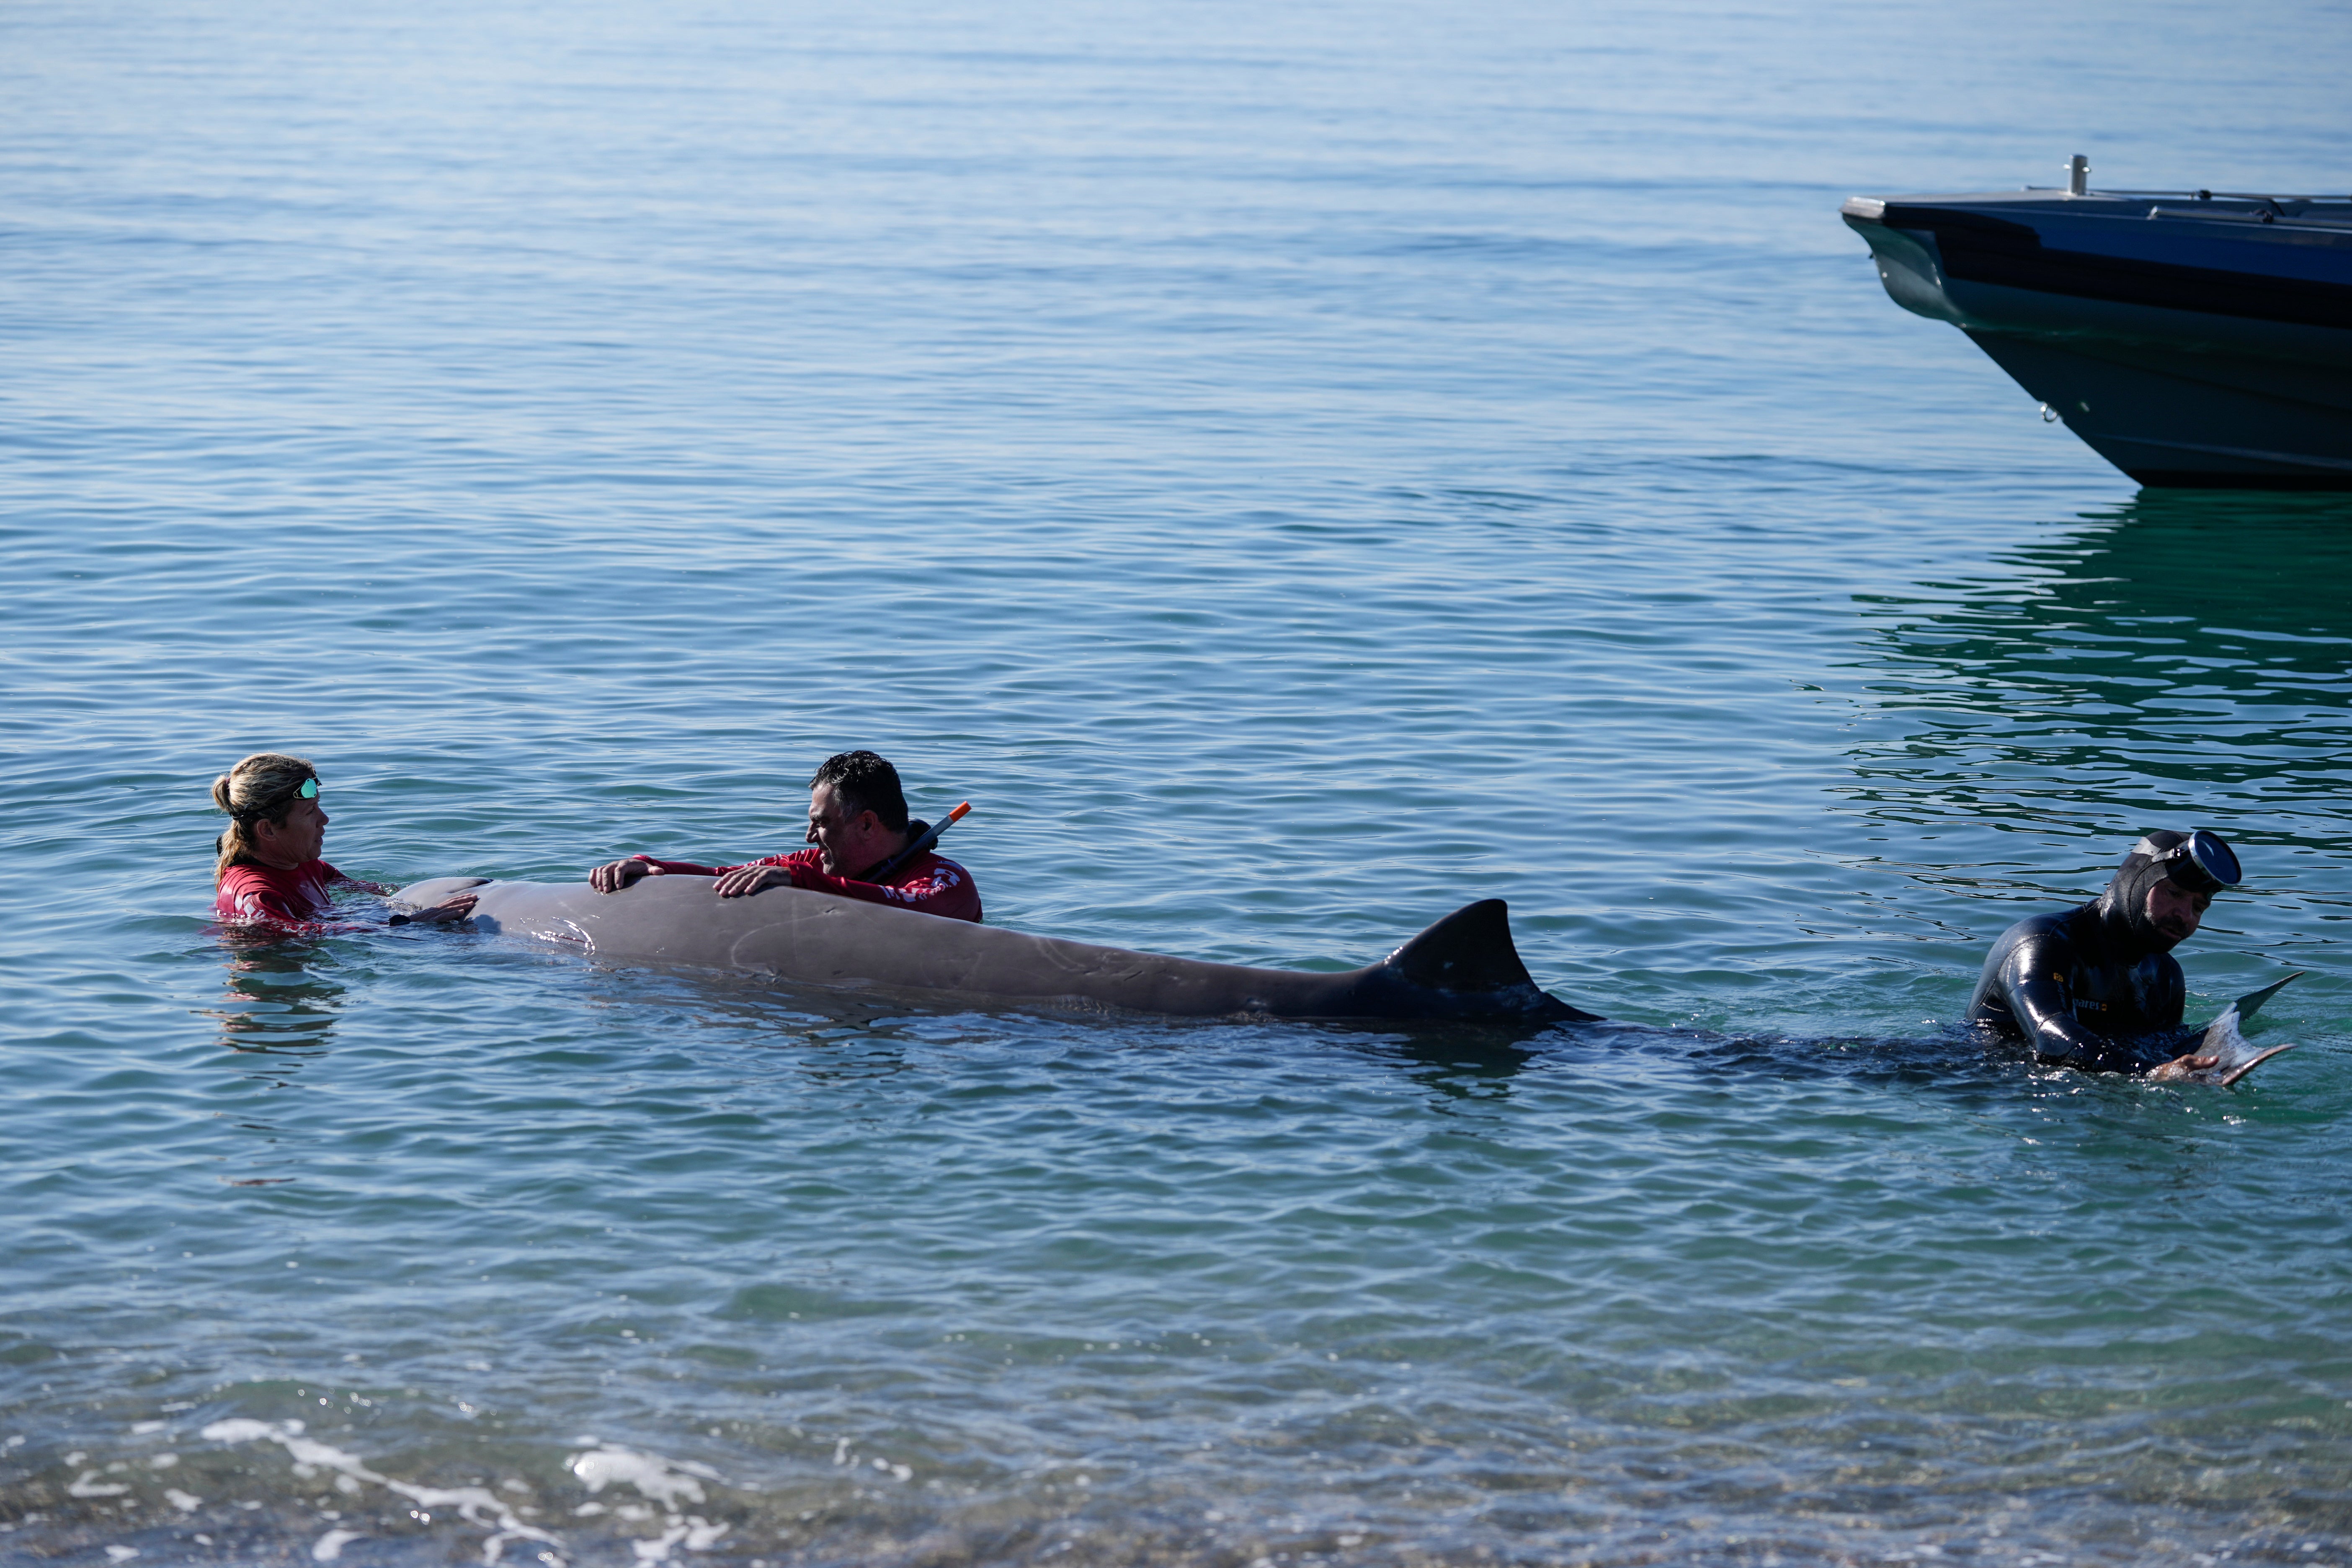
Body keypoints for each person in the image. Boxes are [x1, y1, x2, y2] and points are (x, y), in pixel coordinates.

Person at [1967, 828, 2244, 1080]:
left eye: (2198, 908)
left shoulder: (2166, 978)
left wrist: (2206, 1057)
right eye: (2173, 893)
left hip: (2074, 1097)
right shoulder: (2044, 944)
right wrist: (2153, 1072)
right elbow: (2050, 1038)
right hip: (1970, 1081)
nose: (2184, 916)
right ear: (2137, 881)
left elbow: (2163, 1053)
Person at [588, 750, 981, 922]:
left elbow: (922, 910)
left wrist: (805, 883)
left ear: (866, 824)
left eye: (822, 823)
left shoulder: (945, 879)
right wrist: (654, 867)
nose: (810, 837)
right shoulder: (809, 865)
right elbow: (722, 874)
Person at [211, 753, 476, 928]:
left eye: (319, 807)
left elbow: (373, 893)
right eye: (310, 812)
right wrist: (411, 923)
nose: (324, 820)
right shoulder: (257, 897)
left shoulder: (308, 867)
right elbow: (296, 944)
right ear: (268, 830)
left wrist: (419, 896)